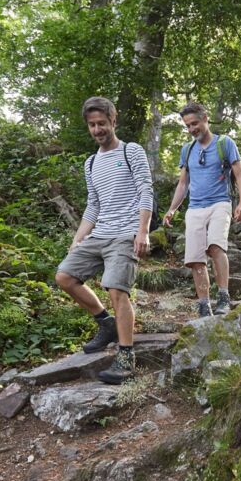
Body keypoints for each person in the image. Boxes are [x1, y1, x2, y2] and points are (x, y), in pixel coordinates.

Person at [54, 97, 154, 384]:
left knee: (116, 289)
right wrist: (78, 239)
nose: (97, 129)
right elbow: (93, 205)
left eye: (102, 123)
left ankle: (126, 356)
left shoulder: (131, 151)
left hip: (125, 234)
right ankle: (105, 323)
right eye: (92, 125)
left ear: (113, 122)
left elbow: (146, 191)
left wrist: (143, 230)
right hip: (99, 234)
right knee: (64, 277)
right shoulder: (91, 163)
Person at [162, 102, 241, 318]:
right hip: (195, 208)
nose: (192, 129)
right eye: (188, 126)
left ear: (205, 118)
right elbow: (183, 183)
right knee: (195, 258)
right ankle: (203, 304)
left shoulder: (225, 143)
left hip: (220, 203)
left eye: (194, 123)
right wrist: (173, 209)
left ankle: (223, 296)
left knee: (216, 247)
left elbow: (239, 175)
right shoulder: (187, 149)